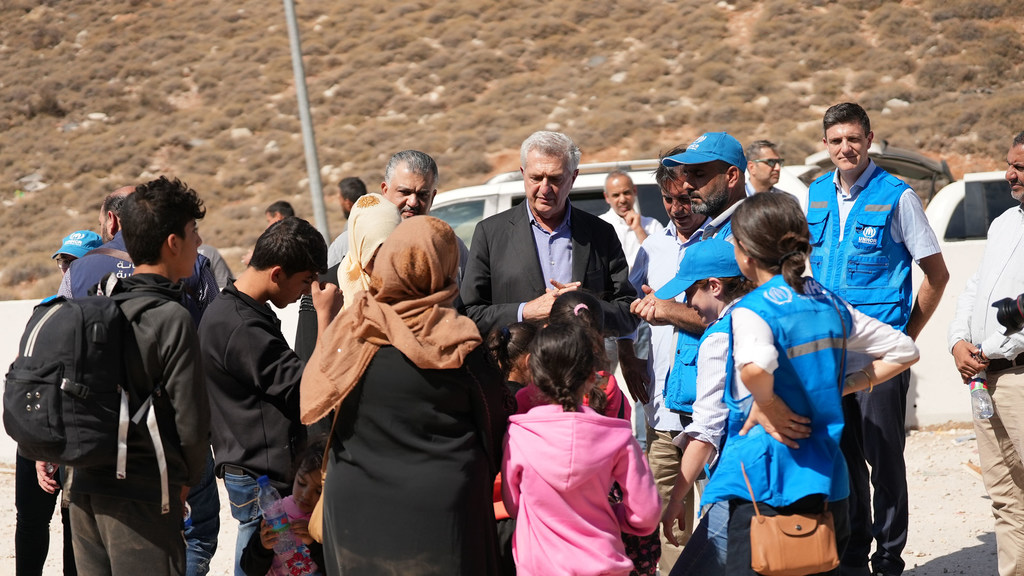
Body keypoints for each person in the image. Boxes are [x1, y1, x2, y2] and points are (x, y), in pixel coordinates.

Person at [699, 191, 919, 576]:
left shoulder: (755, 308)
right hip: (828, 483)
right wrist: (848, 385)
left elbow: (756, 367)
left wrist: (768, 405)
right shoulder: (828, 302)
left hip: (764, 484)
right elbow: (904, 350)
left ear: (747, 254)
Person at [300, 216, 510, 575]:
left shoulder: (353, 331)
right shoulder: (457, 342)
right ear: (445, 268)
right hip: (442, 516)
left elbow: (318, 398)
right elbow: (496, 422)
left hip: (355, 513)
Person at [807, 102, 949, 576]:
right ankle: (853, 552)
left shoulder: (897, 196)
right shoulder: (816, 196)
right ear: (825, 144)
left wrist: (906, 336)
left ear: (869, 139)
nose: (845, 147)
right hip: (829, 354)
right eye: (836, 139)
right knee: (843, 457)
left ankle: (888, 557)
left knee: (884, 459)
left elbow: (936, 273)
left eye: (854, 138)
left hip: (879, 354)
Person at [57, 184, 221, 576]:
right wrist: (183, 485)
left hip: (83, 481)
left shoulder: (91, 292)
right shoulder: (171, 316)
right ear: (172, 243)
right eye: (193, 232)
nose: (200, 242)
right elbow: (191, 422)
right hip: (143, 488)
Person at [199, 216, 334, 576]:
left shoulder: (240, 311)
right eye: (305, 280)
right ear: (277, 273)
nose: (308, 291)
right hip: (260, 475)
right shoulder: (242, 326)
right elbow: (309, 388)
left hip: (254, 465)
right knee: (260, 560)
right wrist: (324, 317)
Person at [502, 321, 661, 576]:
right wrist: (610, 513)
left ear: (533, 372)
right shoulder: (618, 435)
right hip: (604, 564)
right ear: (591, 377)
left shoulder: (519, 434)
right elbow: (646, 513)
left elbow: (514, 505)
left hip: (539, 567)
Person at [460, 130, 639, 340]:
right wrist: (525, 311)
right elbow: (469, 315)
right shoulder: (490, 233)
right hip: (517, 369)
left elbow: (628, 314)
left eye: (555, 179)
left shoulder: (600, 234)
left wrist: (583, 305)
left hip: (581, 368)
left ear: (573, 178)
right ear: (522, 173)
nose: (544, 189)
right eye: (536, 178)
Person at [624, 145, 709, 571]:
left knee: (718, 514)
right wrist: (627, 355)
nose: (679, 208)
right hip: (661, 411)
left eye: (688, 198)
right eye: (670, 199)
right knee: (665, 517)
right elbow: (626, 306)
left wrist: (667, 310)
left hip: (711, 411)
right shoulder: (651, 249)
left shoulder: (721, 244)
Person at [652, 238, 756, 576]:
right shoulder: (767, 313)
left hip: (738, 482)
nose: (686, 304)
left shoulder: (718, 337)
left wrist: (676, 499)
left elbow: (706, 432)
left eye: (689, 292)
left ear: (714, 286)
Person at [948, 131, 1024, 576]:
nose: (1009, 174)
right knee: (1005, 500)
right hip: (986, 380)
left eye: (1020, 167)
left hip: (1018, 375)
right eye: (1009, 163)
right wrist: (958, 341)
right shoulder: (1004, 223)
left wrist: (1001, 345)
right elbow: (974, 291)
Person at [17, 230, 102, 576]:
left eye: (75, 262)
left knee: (76, 525)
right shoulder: (45, 312)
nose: (68, 270)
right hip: (40, 433)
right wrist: (39, 447)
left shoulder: (108, 318)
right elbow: (28, 382)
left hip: (82, 440)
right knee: (31, 519)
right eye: (63, 261)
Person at [239, 440, 327, 576]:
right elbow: (249, 568)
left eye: (319, 491)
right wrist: (263, 547)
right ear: (295, 474)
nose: (306, 495)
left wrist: (314, 542)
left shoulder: (327, 520)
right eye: (302, 483)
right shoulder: (277, 513)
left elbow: (337, 568)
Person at [661, 131, 747, 242]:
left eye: (699, 174)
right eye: (687, 173)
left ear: (731, 176)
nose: (687, 185)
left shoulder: (747, 233)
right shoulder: (721, 230)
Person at [336, 192, 400, 309]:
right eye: (374, 257)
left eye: (390, 256)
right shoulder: (327, 288)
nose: (383, 266)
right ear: (359, 249)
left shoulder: (414, 281)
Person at [599, 170, 665, 268]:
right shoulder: (599, 226)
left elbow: (661, 259)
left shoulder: (652, 225)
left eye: (626, 193)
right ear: (607, 197)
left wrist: (638, 229)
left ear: (634, 191)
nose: (622, 200)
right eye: (616, 195)